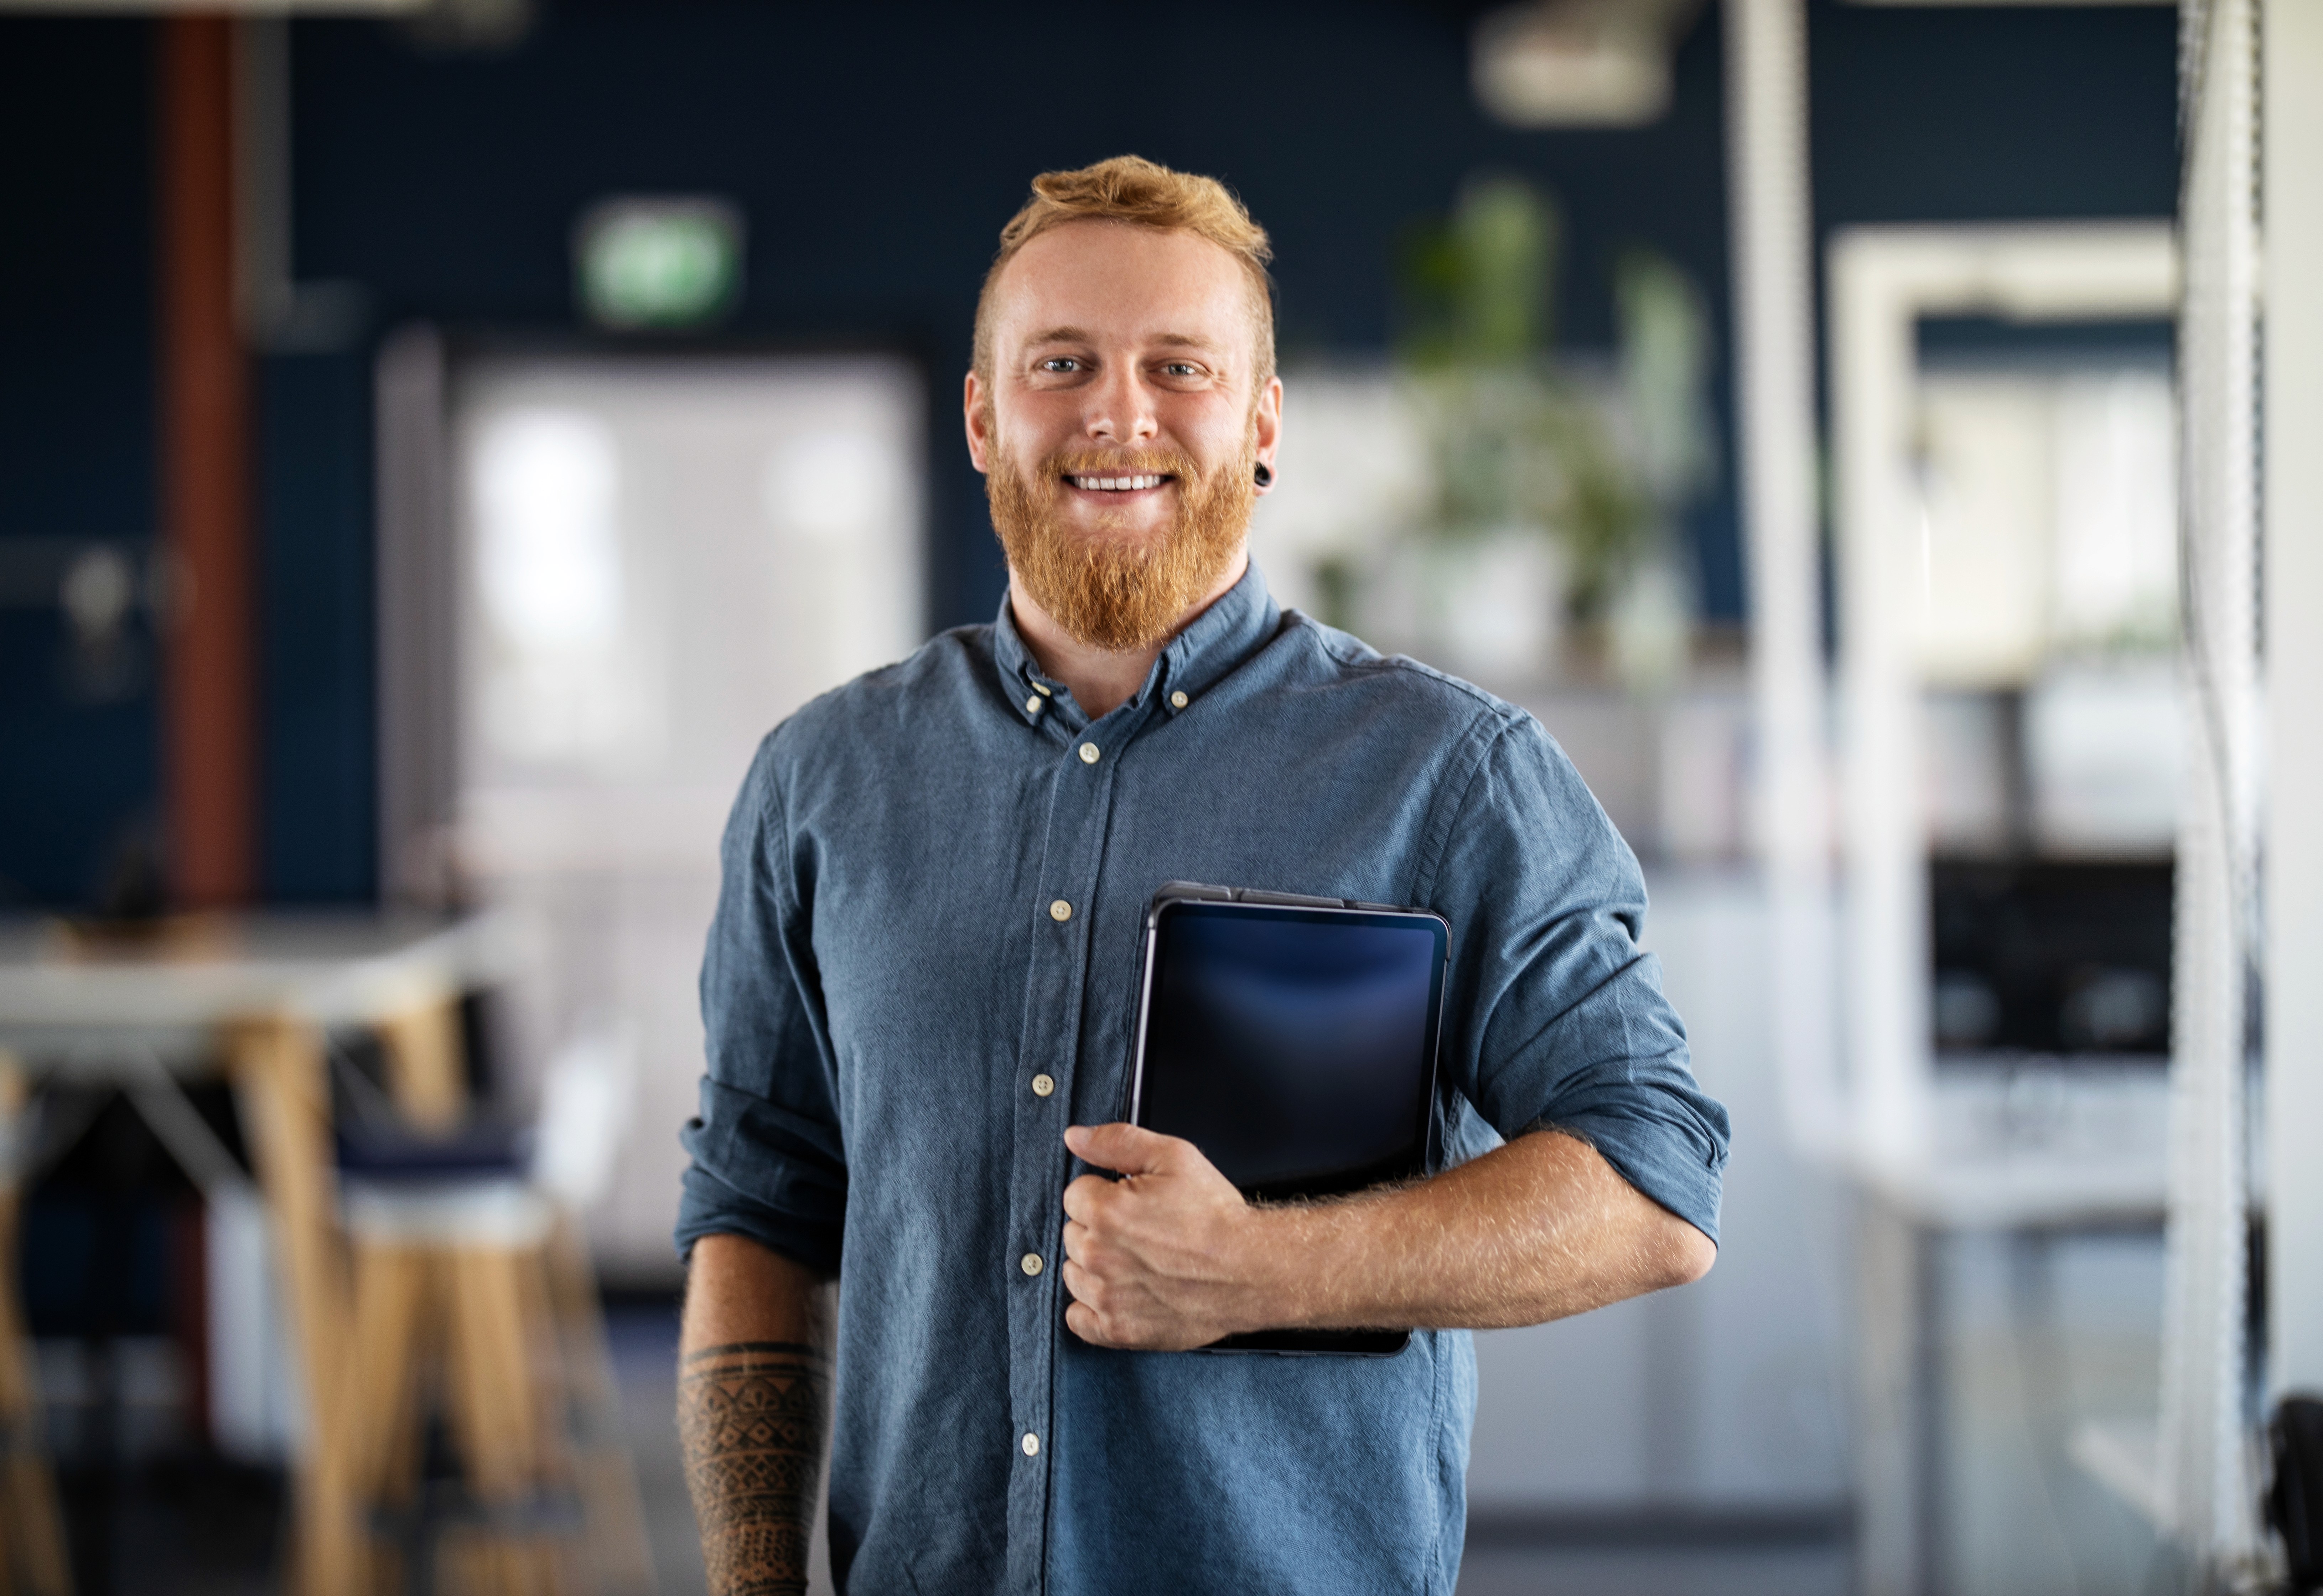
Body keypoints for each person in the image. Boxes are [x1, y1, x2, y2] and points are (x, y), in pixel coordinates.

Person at [674, 154, 1729, 1596]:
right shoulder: (822, 781)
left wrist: (1262, 1268)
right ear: (982, 419)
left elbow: (1654, 1186)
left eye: (1181, 365)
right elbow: (759, 1207)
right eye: (1063, 364)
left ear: (1262, 420)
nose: (1120, 412)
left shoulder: (1451, 773)